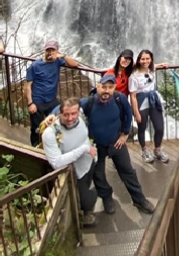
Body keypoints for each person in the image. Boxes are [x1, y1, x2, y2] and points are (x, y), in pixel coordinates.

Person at [81, 73, 156, 215]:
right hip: (96, 146)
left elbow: (128, 115)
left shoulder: (119, 99)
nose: (106, 90)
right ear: (98, 87)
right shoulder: (88, 103)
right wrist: (53, 117)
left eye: (110, 87)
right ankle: (107, 198)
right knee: (98, 175)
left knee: (128, 172)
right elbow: (68, 109)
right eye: (103, 87)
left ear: (114, 88)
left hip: (116, 143)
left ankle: (139, 200)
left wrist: (125, 134)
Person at [40, 98, 99, 227]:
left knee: (86, 192)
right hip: (72, 173)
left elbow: (91, 97)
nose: (70, 118)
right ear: (60, 113)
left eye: (73, 113)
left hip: (89, 162)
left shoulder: (81, 115)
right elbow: (56, 162)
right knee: (85, 200)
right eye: (66, 114)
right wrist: (84, 149)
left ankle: (87, 211)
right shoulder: (50, 133)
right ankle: (89, 204)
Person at [25, 39, 83, 147]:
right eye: (48, 50)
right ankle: (35, 147)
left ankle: (54, 144)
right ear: (45, 51)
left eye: (53, 50)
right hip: (38, 101)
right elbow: (27, 86)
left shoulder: (57, 61)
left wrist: (63, 56)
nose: (50, 53)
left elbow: (74, 64)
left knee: (58, 122)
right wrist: (30, 103)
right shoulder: (35, 66)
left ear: (57, 51)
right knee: (36, 128)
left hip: (52, 100)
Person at [128, 49, 171, 164]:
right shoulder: (134, 76)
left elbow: (152, 65)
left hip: (153, 100)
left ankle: (157, 150)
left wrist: (161, 64)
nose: (145, 61)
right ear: (138, 60)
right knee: (142, 128)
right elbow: (132, 96)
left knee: (159, 127)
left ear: (151, 59)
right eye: (142, 59)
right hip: (141, 101)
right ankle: (144, 150)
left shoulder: (152, 68)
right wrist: (136, 112)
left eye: (147, 59)